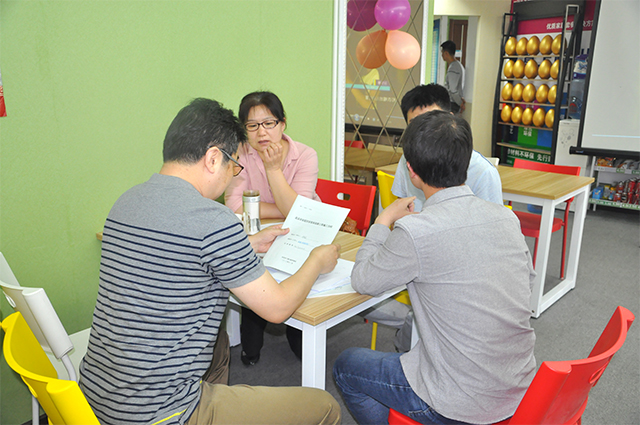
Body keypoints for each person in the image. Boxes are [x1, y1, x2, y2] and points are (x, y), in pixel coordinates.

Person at [80, 98, 342, 425]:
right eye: (234, 167)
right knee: (324, 406)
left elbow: (180, 252)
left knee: (218, 346)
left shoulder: (126, 201)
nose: (232, 176)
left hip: (94, 398)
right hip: (158, 412)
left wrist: (246, 243)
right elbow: (278, 309)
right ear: (214, 158)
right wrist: (316, 260)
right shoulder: (213, 220)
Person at [333, 110, 536, 425]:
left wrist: (382, 220)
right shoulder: (506, 217)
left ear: (411, 172)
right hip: (519, 390)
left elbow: (363, 280)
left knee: (346, 365)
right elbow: (527, 283)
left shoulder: (416, 231)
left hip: (457, 404)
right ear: (466, 161)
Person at [364, 83, 503, 352]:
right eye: (414, 127)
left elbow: (490, 237)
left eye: (430, 122)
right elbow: (403, 214)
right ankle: (411, 330)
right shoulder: (409, 161)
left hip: (457, 271)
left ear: (451, 121)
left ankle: (412, 335)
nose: (423, 135)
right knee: (361, 286)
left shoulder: (483, 173)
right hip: (416, 254)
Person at [225, 91, 321, 365]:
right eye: (252, 125)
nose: (261, 132)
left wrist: (273, 169)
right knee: (254, 276)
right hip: (256, 235)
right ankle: (251, 346)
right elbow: (234, 205)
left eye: (269, 123)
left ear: (283, 123)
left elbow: (298, 215)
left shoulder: (305, 155)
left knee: (296, 280)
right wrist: (286, 206)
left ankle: (297, 337)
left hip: (299, 236)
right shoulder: (239, 155)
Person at [441, 40, 466, 114]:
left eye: (442, 53)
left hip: (452, 104)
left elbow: (453, 90)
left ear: (446, 53)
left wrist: (460, 103)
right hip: (454, 103)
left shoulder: (454, 68)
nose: (442, 55)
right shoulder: (457, 65)